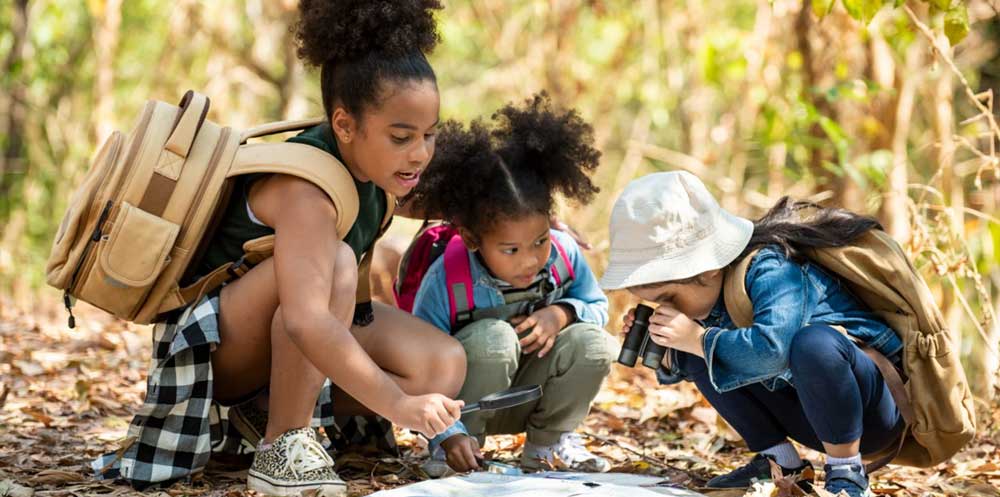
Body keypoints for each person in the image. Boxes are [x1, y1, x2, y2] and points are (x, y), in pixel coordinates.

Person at [94, 2, 468, 495]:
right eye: (402, 137)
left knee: (442, 365)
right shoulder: (306, 189)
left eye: (429, 135)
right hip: (214, 349)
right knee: (332, 263)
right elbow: (307, 320)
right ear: (344, 125)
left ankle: (264, 410)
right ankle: (281, 445)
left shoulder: (379, 171)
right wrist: (399, 405)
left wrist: (528, 207)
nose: (419, 153)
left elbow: (457, 196)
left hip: (294, 326)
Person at [602, 171, 905, 497]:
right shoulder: (706, 300)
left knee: (812, 344)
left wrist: (697, 339)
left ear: (708, 267)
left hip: (867, 414)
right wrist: (666, 348)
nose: (665, 308)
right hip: (805, 413)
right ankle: (780, 462)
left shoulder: (772, 269)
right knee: (698, 349)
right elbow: (696, 366)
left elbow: (773, 351)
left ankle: (847, 474)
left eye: (668, 298)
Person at [408, 94, 618, 475]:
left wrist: (563, 312)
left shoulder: (564, 254)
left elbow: (598, 307)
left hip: (532, 396)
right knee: (493, 338)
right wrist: (447, 433)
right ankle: (460, 449)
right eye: (510, 249)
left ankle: (548, 445)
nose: (530, 259)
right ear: (473, 240)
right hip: (463, 409)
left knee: (595, 343)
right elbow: (421, 362)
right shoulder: (448, 278)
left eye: (540, 240)